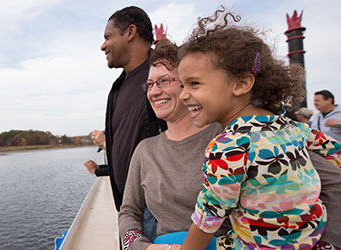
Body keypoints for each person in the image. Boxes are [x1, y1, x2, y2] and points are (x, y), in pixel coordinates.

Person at [118, 38, 341, 250]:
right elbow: (128, 212)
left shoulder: (235, 137)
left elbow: (335, 184)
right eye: (149, 84)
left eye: (165, 80)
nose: (154, 90)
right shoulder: (145, 150)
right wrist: (142, 247)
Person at [175, 8, 341, 249]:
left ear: (242, 83)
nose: (183, 95)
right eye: (182, 85)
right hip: (314, 239)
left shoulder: (229, 146)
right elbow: (335, 152)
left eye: (194, 84)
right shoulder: (293, 127)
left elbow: (208, 216)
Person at [83, 6, 166, 241]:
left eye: (108, 37)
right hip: (129, 210)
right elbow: (128, 149)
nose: (103, 45)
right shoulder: (118, 88)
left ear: (130, 32)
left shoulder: (164, 77)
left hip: (156, 212)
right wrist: (101, 170)